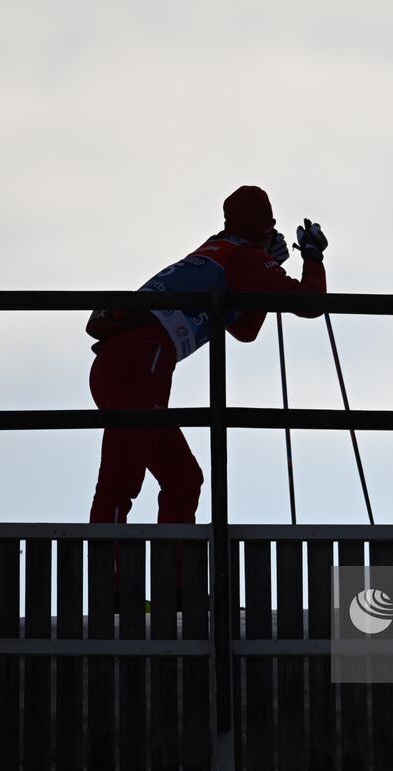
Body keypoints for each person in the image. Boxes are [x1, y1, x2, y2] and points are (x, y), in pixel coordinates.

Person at [87, 185, 328, 526]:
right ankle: (109, 574)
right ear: (267, 225)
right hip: (145, 359)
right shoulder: (247, 256)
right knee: (121, 479)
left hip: (117, 359)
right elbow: (311, 303)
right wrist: (312, 256)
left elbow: (244, 330)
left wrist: (267, 267)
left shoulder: (217, 249)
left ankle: (173, 571)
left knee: (182, 478)